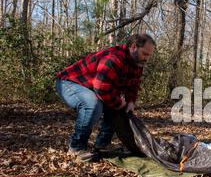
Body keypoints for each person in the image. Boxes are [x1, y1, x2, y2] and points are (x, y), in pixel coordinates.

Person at [55, 33, 156, 162]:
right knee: (93, 104)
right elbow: (101, 88)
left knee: (119, 107)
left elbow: (133, 85)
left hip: (93, 87)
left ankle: (102, 145)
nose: (146, 58)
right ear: (134, 47)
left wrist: (130, 102)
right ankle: (76, 148)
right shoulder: (114, 58)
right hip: (69, 82)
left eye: (149, 55)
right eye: (145, 54)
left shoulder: (137, 63)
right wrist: (119, 102)